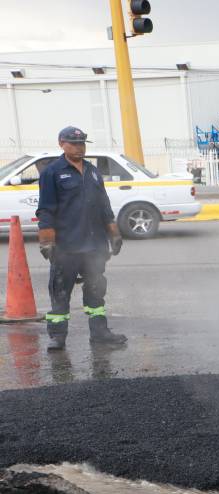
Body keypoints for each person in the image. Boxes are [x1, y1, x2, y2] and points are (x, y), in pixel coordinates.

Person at [36, 126, 127, 351]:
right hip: (67, 245)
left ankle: (100, 333)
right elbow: (46, 209)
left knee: (96, 289)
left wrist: (114, 233)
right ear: (61, 144)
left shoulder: (92, 171)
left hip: (94, 245)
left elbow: (104, 206)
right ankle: (58, 336)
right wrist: (47, 239)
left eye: (81, 144)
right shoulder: (52, 172)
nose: (79, 148)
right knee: (60, 291)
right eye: (73, 143)